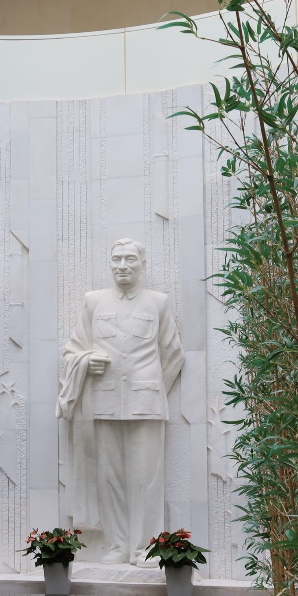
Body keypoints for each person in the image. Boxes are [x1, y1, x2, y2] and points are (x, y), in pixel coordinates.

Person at [57, 238, 183, 566]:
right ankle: (117, 545)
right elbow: (73, 350)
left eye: (130, 259)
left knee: (146, 480)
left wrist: (153, 388)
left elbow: (173, 354)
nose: (123, 266)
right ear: (110, 264)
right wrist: (86, 361)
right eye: (116, 259)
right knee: (108, 478)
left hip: (147, 405)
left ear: (143, 264)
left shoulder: (158, 302)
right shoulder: (93, 302)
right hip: (104, 403)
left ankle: (144, 548)